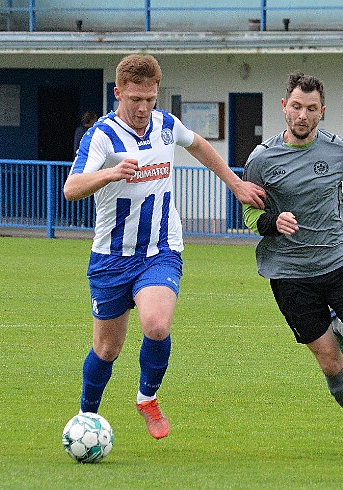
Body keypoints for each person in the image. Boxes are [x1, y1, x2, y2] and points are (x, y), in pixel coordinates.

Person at [63, 54, 266, 439]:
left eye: (150, 100)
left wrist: (235, 184)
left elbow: (200, 145)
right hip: (110, 255)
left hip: (160, 249)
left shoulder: (166, 125)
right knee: (107, 350)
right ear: (118, 92)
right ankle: (85, 419)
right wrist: (110, 172)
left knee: (156, 325)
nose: (143, 108)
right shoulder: (101, 136)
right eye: (135, 99)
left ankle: (147, 397)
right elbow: (71, 188)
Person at [242, 71, 343, 453]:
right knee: (329, 362)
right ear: (284, 107)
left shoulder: (340, 152)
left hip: (336, 263)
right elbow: (248, 216)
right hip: (288, 273)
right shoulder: (261, 160)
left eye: (311, 109)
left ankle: (341, 327)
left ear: (321, 111)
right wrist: (272, 223)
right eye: (296, 106)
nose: (302, 115)